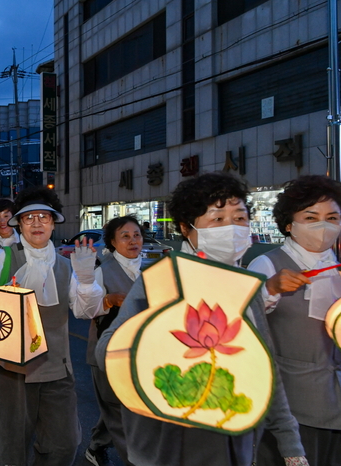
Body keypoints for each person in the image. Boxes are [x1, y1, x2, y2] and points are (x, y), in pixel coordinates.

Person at [96, 172, 308, 466]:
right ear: (187, 228)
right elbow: (106, 349)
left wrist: (291, 446)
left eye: (240, 218)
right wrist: (156, 342)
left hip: (234, 443)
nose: (232, 228)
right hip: (168, 445)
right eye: (218, 220)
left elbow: (266, 370)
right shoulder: (161, 280)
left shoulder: (248, 288)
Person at [0, 186, 104, 466]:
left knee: (65, 444)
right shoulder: (3, 258)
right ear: (19, 223)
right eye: (29, 218)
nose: (36, 223)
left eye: (44, 217)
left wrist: (88, 278)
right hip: (12, 371)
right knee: (12, 447)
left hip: (58, 368)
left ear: (53, 223)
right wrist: (4, 295)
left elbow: (85, 311)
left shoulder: (67, 265)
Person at [247, 175, 341, 466]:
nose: (323, 226)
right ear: (288, 224)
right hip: (292, 408)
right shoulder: (267, 264)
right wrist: (270, 289)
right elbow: (245, 322)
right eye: (311, 217)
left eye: (332, 217)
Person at [81, 216, 142, 466]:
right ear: (113, 242)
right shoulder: (101, 270)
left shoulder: (149, 270)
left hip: (138, 351)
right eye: (125, 236)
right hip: (106, 352)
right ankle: (138, 460)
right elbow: (86, 309)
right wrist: (108, 300)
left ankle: (96, 445)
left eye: (136, 235)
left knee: (123, 404)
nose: (132, 240)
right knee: (116, 409)